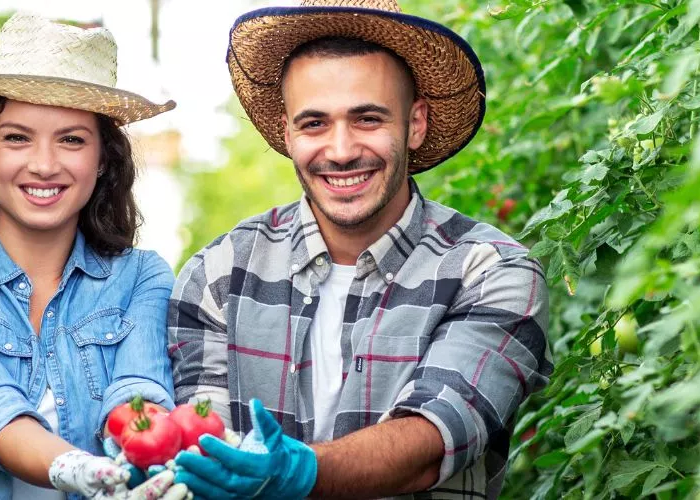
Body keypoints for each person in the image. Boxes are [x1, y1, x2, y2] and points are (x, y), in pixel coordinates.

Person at [167, 1, 552, 498]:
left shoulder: (491, 272)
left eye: (367, 118)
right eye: (314, 124)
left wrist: (299, 472)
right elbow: (204, 445)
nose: (342, 149)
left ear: (415, 124)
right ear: (287, 133)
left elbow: (432, 442)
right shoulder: (219, 274)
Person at [0, 13, 187, 500]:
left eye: (71, 139)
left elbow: (138, 394)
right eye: (16, 137)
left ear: (103, 158)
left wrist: (150, 450)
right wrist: (86, 472)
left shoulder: (142, 277)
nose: (44, 165)